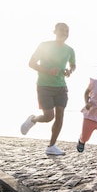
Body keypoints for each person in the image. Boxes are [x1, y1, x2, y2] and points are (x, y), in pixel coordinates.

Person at [20, 22, 76, 156]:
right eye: (61, 30)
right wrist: (47, 70)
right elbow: (31, 63)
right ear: (54, 31)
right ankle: (33, 120)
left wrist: (70, 71)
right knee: (48, 116)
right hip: (44, 86)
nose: (64, 33)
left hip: (61, 87)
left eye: (67, 31)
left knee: (60, 116)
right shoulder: (44, 46)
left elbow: (73, 65)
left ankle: (51, 146)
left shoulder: (70, 50)